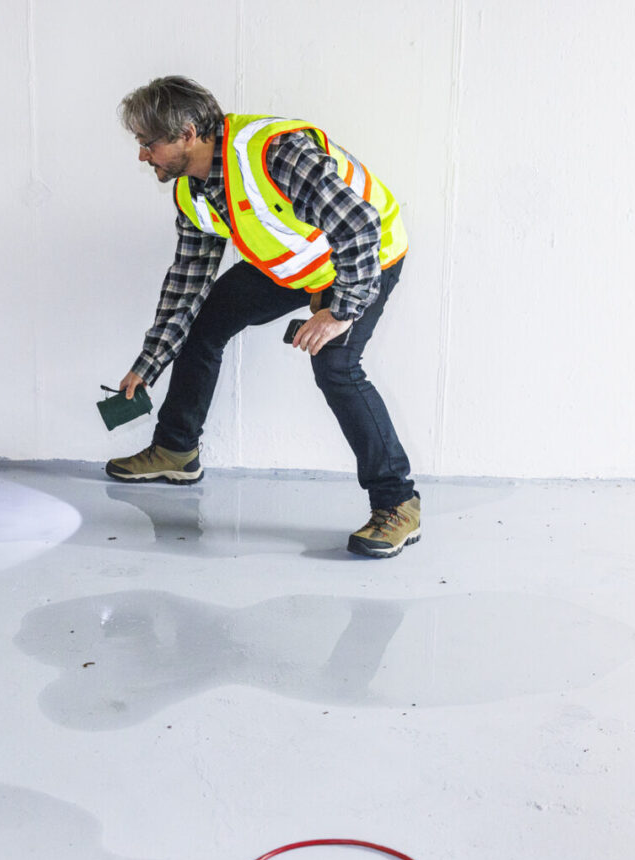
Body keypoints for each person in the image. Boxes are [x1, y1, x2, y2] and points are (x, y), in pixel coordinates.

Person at [106, 76, 421, 559]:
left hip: (366, 259)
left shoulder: (276, 154)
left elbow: (360, 227)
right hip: (298, 261)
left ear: (188, 134)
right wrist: (149, 364)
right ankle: (176, 450)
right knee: (203, 322)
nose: (143, 156)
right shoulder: (194, 191)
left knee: (336, 366)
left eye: (149, 144)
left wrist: (341, 309)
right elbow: (186, 286)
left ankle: (398, 504)